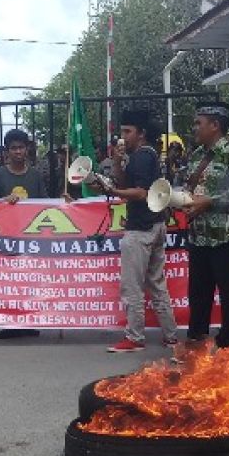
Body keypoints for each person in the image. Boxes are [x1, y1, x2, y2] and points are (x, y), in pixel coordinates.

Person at [94, 110, 179, 353]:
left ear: (141, 134)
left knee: (132, 285)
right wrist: (118, 163)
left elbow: (140, 193)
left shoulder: (142, 157)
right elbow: (125, 184)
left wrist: (112, 192)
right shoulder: (144, 155)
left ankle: (135, 337)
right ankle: (171, 336)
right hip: (155, 225)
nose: (123, 137)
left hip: (140, 229)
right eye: (121, 132)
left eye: (127, 132)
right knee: (157, 284)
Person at [182, 102, 229, 349]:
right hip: (199, 236)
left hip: (228, 238)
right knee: (198, 295)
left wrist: (209, 201)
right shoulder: (197, 156)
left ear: (215, 125)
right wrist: (181, 199)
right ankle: (195, 342)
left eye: (198, 123)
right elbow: (191, 189)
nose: (194, 128)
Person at [0, 129, 46, 339]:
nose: (18, 151)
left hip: (30, 237)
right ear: (7, 151)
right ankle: (9, 324)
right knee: (8, 282)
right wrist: (5, 200)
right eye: (13, 148)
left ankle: (28, 321)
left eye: (21, 147)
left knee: (28, 279)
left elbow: (46, 205)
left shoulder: (36, 175)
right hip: (6, 237)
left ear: (27, 149)